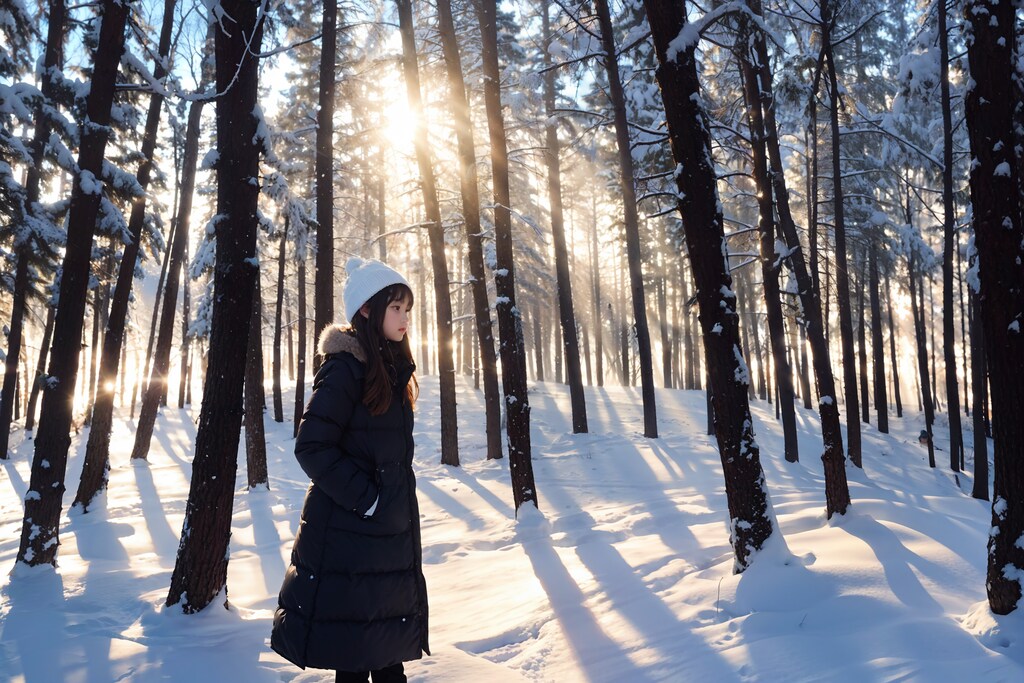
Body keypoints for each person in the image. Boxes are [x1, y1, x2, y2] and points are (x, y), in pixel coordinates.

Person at [271, 257, 429, 683]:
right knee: (359, 660)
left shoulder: (392, 370)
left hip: (385, 541)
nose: (404, 318)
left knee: (386, 657)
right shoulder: (344, 368)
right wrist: (371, 499)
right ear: (366, 310)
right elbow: (311, 446)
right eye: (395, 308)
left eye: (406, 309)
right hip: (350, 539)